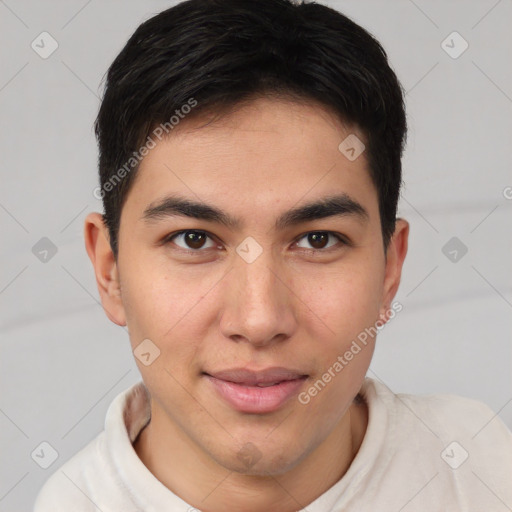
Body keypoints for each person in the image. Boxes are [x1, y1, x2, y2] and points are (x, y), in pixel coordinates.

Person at [34, 0, 512, 510]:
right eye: (194, 239)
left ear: (390, 269)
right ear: (109, 273)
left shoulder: (481, 464)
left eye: (318, 240)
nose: (259, 321)